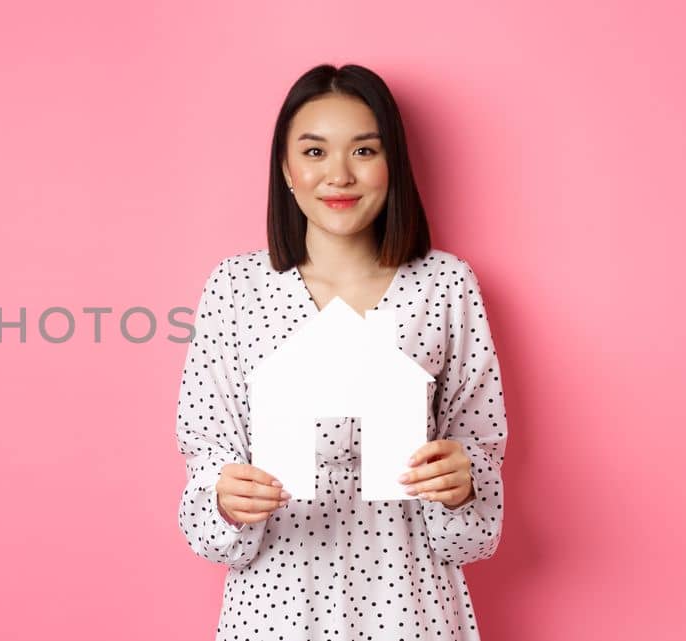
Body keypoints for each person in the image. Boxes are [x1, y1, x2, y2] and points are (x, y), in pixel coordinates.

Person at [174, 63, 509, 640]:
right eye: (313, 152)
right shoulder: (235, 288)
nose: (338, 176)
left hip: (409, 603)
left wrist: (465, 480)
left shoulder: (445, 286)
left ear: (392, 164)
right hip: (275, 607)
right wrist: (226, 501)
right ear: (285, 168)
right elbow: (205, 473)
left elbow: (480, 464)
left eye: (362, 151)